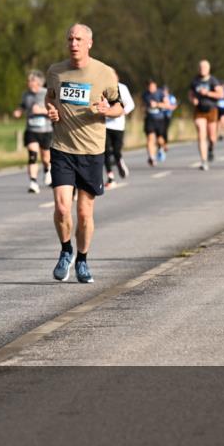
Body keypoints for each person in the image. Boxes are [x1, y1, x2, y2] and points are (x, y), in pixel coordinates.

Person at [45, 23, 123, 283]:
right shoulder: (55, 71)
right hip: (62, 148)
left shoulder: (104, 73)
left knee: (83, 213)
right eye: (70, 39)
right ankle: (66, 250)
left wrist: (106, 110)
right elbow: (50, 96)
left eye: (79, 39)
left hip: (91, 150)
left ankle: (82, 259)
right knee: (61, 206)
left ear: (89, 42)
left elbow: (120, 107)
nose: (74, 43)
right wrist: (51, 110)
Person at [13, 70, 53, 193]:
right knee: (32, 156)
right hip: (31, 130)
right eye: (29, 80)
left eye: (32, 80)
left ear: (39, 82)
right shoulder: (26, 94)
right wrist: (19, 111)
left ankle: (47, 170)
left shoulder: (46, 93)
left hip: (46, 130)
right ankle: (33, 182)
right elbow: (23, 105)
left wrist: (41, 111)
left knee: (46, 157)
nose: (29, 83)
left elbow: (54, 111)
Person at [189, 59, 224, 171]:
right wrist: (193, 99)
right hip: (199, 111)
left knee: (212, 137)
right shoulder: (195, 81)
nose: (202, 69)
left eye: (204, 67)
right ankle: (203, 161)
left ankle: (211, 148)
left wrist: (208, 93)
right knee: (201, 133)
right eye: (200, 67)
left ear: (208, 69)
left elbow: (221, 94)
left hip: (212, 110)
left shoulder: (213, 81)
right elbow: (190, 93)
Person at [104, 81, 135, 188]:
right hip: (105, 125)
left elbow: (131, 104)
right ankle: (110, 177)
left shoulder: (122, 87)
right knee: (106, 151)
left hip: (118, 125)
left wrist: (122, 112)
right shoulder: (102, 86)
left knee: (117, 151)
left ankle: (119, 161)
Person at [142, 80, 168, 167]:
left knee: (160, 139)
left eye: (153, 87)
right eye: (149, 87)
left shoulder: (160, 93)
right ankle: (152, 158)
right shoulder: (145, 94)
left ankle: (161, 147)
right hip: (149, 119)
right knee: (150, 138)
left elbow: (166, 104)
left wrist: (156, 104)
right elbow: (143, 105)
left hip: (159, 119)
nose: (151, 89)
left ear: (156, 86)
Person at [159, 85, 178, 162]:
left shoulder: (171, 97)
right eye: (163, 90)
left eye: (165, 90)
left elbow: (173, 106)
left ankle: (165, 144)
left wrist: (168, 107)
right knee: (160, 131)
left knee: (165, 130)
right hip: (160, 116)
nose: (164, 92)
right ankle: (161, 145)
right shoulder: (160, 96)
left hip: (167, 116)